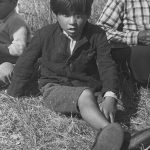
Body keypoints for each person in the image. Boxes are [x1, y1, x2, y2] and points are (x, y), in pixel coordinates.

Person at [6, 0, 150, 149]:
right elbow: (25, 62)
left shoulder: (97, 34)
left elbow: (107, 65)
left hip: (92, 89)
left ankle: (116, 140)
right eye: (66, 15)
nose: (72, 22)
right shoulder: (45, 34)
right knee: (84, 95)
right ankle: (116, 135)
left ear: (88, 14)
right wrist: (14, 92)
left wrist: (110, 96)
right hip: (54, 88)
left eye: (79, 15)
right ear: (55, 13)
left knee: (104, 109)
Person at [97, 0, 150, 86]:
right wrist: (136, 37)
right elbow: (101, 31)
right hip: (135, 51)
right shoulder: (121, 1)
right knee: (142, 53)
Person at [0, 0, 30, 88]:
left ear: (13, 3)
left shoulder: (16, 21)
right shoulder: (3, 20)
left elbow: (20, 50)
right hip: (4, 59)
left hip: (16, 63)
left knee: (6, 70)